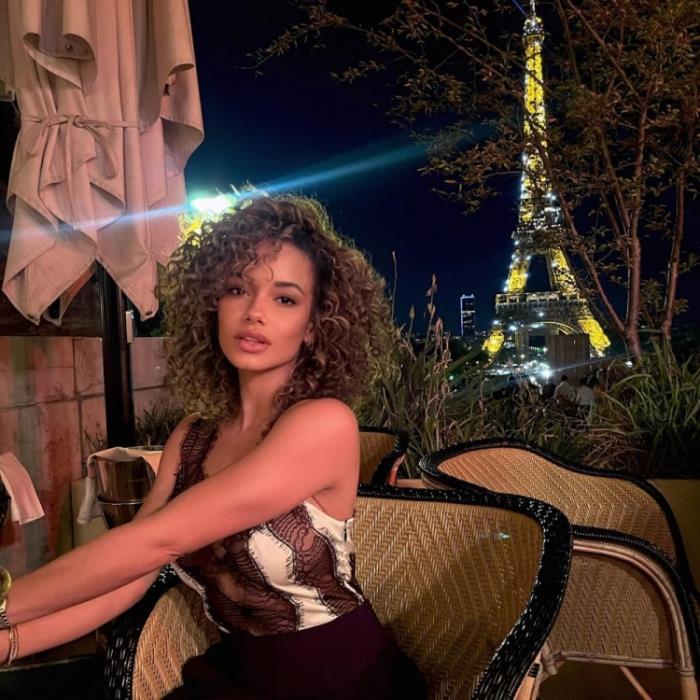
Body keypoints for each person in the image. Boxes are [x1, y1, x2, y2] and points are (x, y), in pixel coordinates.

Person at [0, 196, 427, 699]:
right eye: (237, 289)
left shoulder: (323, 423)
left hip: (341, 677)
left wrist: (4, 602)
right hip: (235, 675)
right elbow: (134, 574)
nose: (254, 312)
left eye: (284, 299)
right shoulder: (192, 437)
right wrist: (11, 643)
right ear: (213, 305)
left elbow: (158, 541)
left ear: (314, 327)